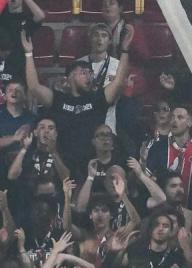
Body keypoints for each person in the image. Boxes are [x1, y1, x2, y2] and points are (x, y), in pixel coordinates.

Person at [22, 26, 134, 172]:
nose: (89, 76)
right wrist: (29, 53)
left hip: (91, 162)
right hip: (62, 161)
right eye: (83, 72)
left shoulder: (97, 99)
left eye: (90, 73)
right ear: (71, 77)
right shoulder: (58, 99)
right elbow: (34, 87)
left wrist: (125, 50)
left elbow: (119, 82)